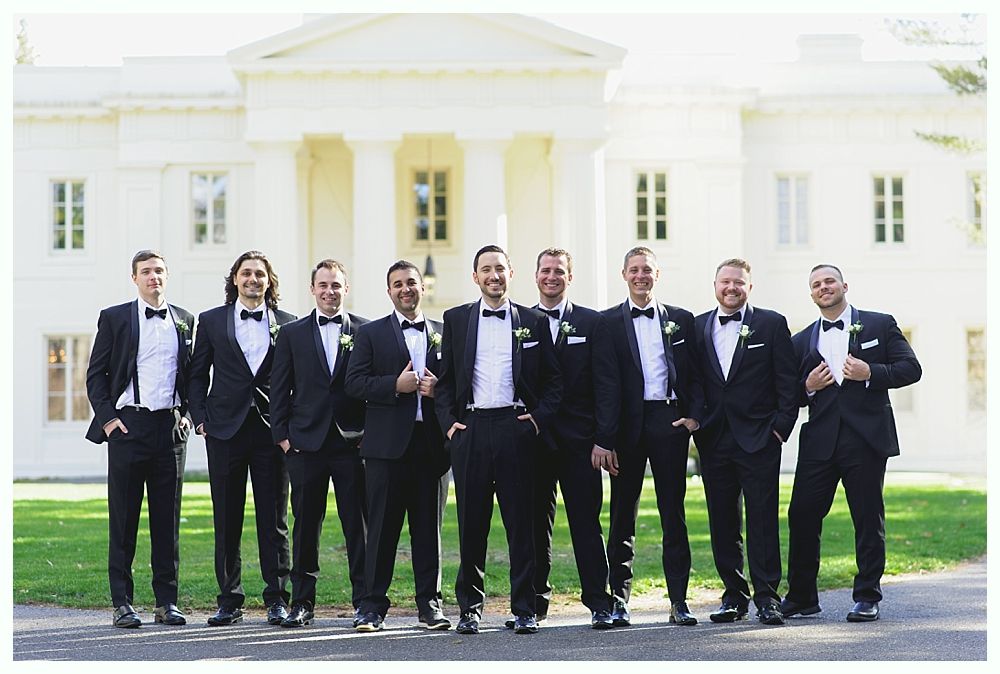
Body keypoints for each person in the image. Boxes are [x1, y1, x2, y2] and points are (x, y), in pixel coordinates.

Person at [434, 244, 562, 635]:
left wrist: (535, 421)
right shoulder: (455, 319)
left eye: (500, 269)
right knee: (471, 524)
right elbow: (445, 382)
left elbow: (554, 381)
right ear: (475, 277)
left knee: (520, 525)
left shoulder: (533, 321)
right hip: (471, 431)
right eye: (486, 269)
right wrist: (449, 426)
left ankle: (524, 607)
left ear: (511, 273)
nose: (494, 276)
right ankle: (470, 608)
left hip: (516, 428)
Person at [783, 264, 921, 623]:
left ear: (844, 285)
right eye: (815, 284)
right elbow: (786, 395)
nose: (823, 287)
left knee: (867, 516)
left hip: (866, 439)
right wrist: (808, 386)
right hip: (819, 442)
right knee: (801, 514)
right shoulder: (799, 341)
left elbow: (911, 369)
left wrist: (871, 373)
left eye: (829, 281)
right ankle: (801, 598)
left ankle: (866, 596)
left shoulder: (879, 324)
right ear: (811, 294)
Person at [85, 249, 194, 628]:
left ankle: (167, 601)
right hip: (128, 429)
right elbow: (95, 375)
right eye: (146, 271)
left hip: (170, 431)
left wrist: (189, 415)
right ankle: (123, 603)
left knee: (168, 521)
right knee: (124, 519)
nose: (154, 277)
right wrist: (110, 421)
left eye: (160, 271)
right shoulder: (115, 318)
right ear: (134, 278)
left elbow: (192, 376)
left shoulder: (184, 320)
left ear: (167, 275)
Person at [188, 251, 296, 627]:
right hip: (224, 431)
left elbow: (295, 380)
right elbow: (197, 375)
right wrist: (199, 419)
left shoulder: (288, 323)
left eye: (260, 274)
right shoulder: (212, 321)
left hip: (271, 431)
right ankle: (229, 600)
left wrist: (288, 426)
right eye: (246, 273)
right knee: (227, 517)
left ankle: (278, 599)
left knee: (275, 520)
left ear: (269, 281)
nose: (253, 279)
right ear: (235, 279)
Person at [599, 246, 704, 627]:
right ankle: (619, 600)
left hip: (668, 421)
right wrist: (605, 438)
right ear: (624, 274)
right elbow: (604, 384)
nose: (641, 276)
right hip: (626, 428)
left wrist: (693, 416)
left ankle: (679, 600)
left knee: (672, 514)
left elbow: (695, 373)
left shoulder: (681, 319)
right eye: (634, 270)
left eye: (647, 270)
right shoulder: (606, 322)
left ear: (657, 275)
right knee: (621, 515)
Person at [344, 260, 451, 632]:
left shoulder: (443, 332)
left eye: (411, 283)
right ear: (389, 291)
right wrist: (395, 385)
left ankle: (430, 606)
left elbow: (458, 386)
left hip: (431, 448)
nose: (405, 289)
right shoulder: (371, 334)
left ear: (423, 287)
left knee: (428, 531)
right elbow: (354, 383)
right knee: (382, 531)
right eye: (398, 284)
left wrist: (438, 391)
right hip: (385, 450)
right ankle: (372, 607)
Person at [692, 258, 798, 626]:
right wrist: (697, 421)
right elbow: (694, 381)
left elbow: (788, 383)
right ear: (715, 284)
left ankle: (768, 597)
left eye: (739, 282)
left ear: (749, 287)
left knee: (763, 520)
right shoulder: (697, 326)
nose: (731, 288)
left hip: (760, 439)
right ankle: (733, 596)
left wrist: (781, 428)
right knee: (722, 521)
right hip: (714, 439)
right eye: (725, 282)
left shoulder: (770, 323)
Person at [516, 247, 618, 630]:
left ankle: (598, 602)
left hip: (582, 443)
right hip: (534, 442)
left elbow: (607, 385)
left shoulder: (593, 323)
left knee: (586, 525)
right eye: (545, 270)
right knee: (531, 525)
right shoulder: (520, 322)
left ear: (570, 277)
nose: (551, 276)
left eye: (559, 271)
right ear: (536, 275)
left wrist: (604, 439)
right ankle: (534, 604)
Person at [269, 259, 369, 628]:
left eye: (337, 285)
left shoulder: (366, 330)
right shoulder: (292, 333)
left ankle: (364, 602)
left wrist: (368, 436)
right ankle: (302, 603)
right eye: (323, 285)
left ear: (346, 288)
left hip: (351, 445)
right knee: (305, 525)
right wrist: (282, 437)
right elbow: (279, 388)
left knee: (357, 526)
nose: (330, 291)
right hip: (305, 446)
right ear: (312, 289)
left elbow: (372, 390)